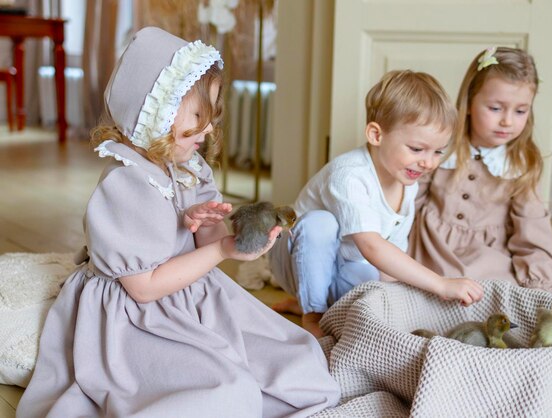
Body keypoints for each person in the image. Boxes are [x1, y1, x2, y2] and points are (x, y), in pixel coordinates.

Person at [17, 27, 340, 418]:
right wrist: (221, 251)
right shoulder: (124, 186)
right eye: (199, 117)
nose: (208, 130)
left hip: (195, 295)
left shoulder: (189, 166)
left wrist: (225, 236)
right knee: (226, 391)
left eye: (212, 118)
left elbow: (208, 240)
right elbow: (144, 288)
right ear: (158, 112)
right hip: (137, 319)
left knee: (297, 363)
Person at [269, 70, 484, 337]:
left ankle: (319, 305)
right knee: (320, 223)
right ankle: (313, 313)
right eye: (417, 149)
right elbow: (372, 246)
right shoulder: (349, 174)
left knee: (372, 285)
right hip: (297, 257)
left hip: (344, 262)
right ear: (376, 135)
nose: (428, 162)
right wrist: (440, 284)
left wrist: (412, 301)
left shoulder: (407, 183)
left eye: (438, 151)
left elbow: (389, 261)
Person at [411, 46, 552, 309]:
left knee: (497, 293)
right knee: (419, 289)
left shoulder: (520, 164)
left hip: (488, 255)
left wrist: (539, 277)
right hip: (431, 247)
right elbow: (410, 199)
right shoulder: (443, 146)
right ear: (470, 102)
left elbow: (532, 231)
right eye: (496, 108)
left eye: (520, 111)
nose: (507, 121)